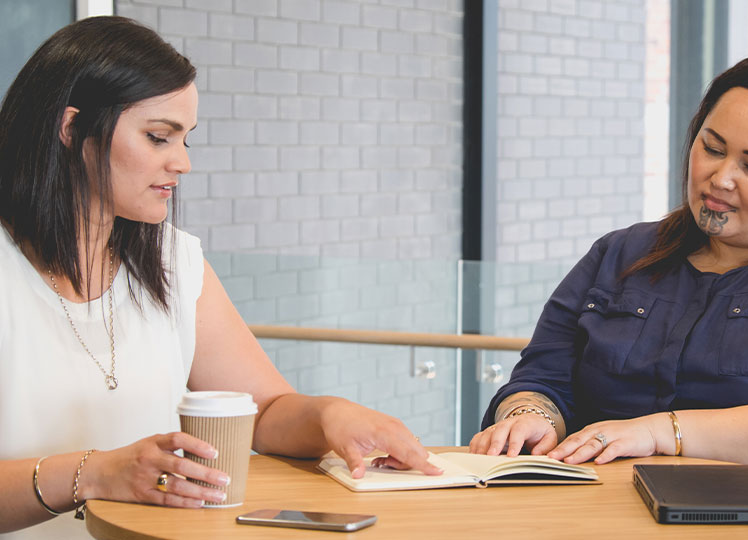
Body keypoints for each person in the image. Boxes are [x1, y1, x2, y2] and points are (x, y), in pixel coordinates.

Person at [0, 16, 440, 539]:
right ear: (72, 130)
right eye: (158, 137)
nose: (181, 163)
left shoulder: (174, 264)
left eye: (186, 140)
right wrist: (95, 473)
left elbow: (264, 411)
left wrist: (330, 415)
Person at [470, 54, 748, 539]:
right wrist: (529, 414)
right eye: (711, 148)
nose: (720, 177)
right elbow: (543, 373)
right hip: (615, 515)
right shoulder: (620, 253)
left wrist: (657, 431)